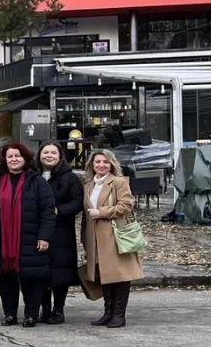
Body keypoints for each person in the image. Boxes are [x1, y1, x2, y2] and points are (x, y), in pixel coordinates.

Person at [0, 142, 56, 327]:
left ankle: (31, 314)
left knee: (31, 278)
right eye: (10, 156)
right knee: (6, 278)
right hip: (2, 238)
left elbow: (48, 211)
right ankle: (9, 314)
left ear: (25, 158)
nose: (14, 159)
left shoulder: (38, 181)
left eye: (17, 156)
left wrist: (44, 236)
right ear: (4, 160)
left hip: (30, 237)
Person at [82, 149, 142, 329]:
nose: (101, 165)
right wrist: (84, 240)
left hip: (115, 236)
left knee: (120, 275)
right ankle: (108, 313)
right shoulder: (88, 186)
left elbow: (126, 205)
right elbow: (86, 215)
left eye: (105, 162)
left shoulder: (119, 182)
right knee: (103, 274)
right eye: (98, 162)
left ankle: (119, 314)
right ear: (92, 165)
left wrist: (101, 212)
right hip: (94, 238)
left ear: (112, 164)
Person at [38, 139, 82, 324]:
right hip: (38, 229)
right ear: (39, 155)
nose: (49, 156)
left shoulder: (70, 178)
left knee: (60, 272)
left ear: (60, 156)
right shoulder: (33, 175)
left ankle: (58, 309)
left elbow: (77, 202)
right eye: (45, 152)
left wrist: (59, 210)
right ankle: (44, 308)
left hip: (61, 230)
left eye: (53, 153)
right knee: (40, 271)